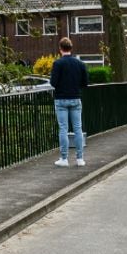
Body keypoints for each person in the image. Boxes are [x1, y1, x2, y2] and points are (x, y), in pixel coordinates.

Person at [50, 36, 89, 167]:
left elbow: (53, 83)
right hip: (75, 98)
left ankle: (64, 159)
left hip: (61, 99)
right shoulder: (80, 64)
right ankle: (80, 159)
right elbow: (85, 83)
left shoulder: (57, 63)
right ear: (71, 48)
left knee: (63, 129)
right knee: (78, 128)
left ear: (60, 49)